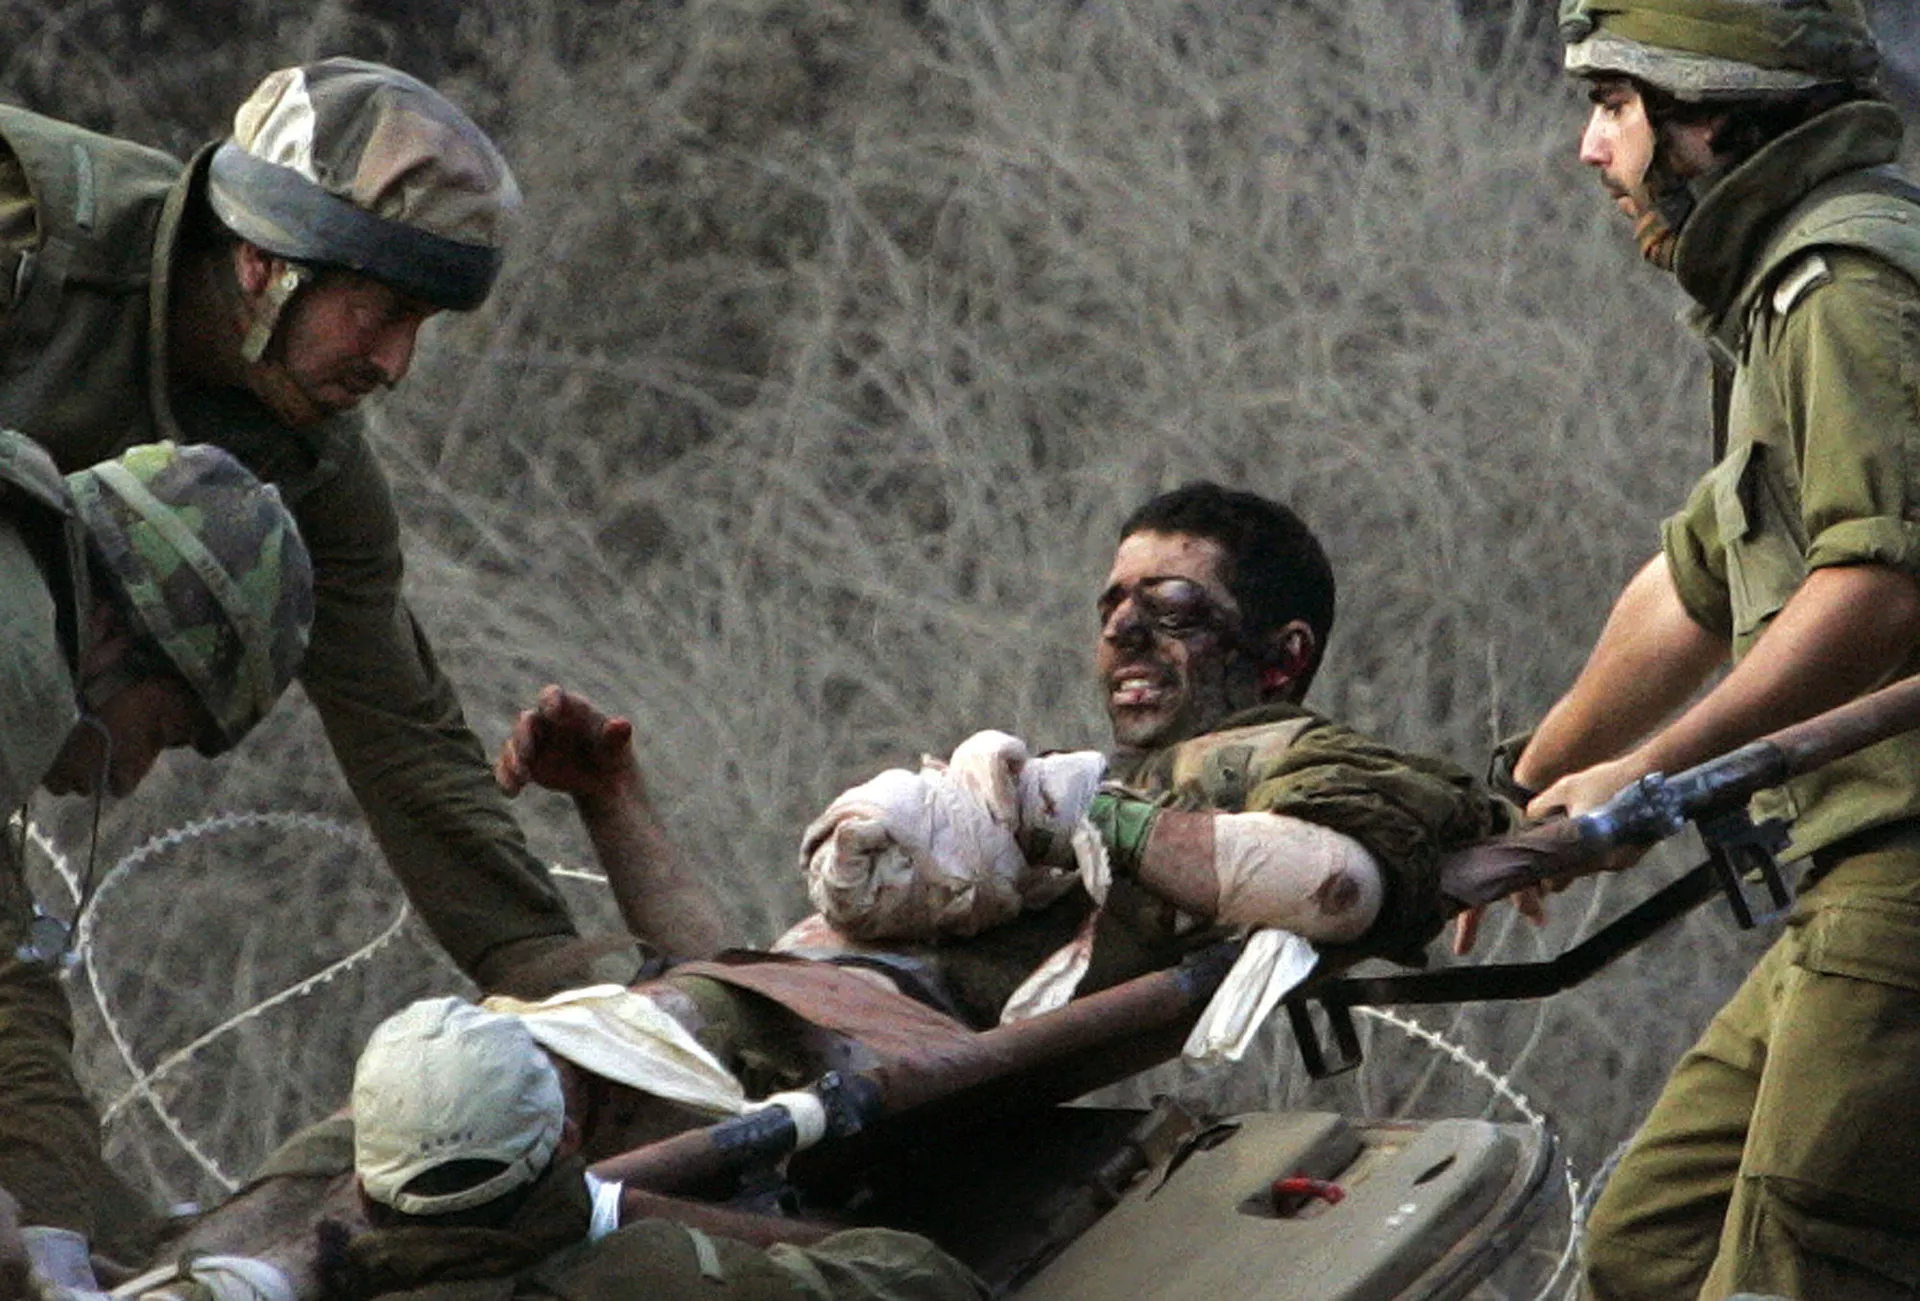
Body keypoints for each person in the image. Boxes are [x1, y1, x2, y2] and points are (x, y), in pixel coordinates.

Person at [1472, 3, 1920, 1296]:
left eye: (1614, 107)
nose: (1590, 150)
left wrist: (1655, 775)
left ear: (1707, 115)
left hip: (1902, 883)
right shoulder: (1785, 292)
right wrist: (1519, 790)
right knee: (1651, 1241)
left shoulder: (1850, 286)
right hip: (1851, 882)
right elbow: (1695, 586)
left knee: (1790, 1270)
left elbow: (1882, 590)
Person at [0, 57, 590, 996]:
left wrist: (569, 997)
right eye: (385, 312)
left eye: (423, 324)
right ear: (266, 261)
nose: (396, 362)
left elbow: (404, 736)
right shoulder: (31, 234)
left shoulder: (306, 467)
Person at [0, 435, 314, 1272]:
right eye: (161, 727)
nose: (131, 776)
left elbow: (7, 984)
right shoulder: (20, 669)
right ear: (108, 632)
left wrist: (83, 1229)